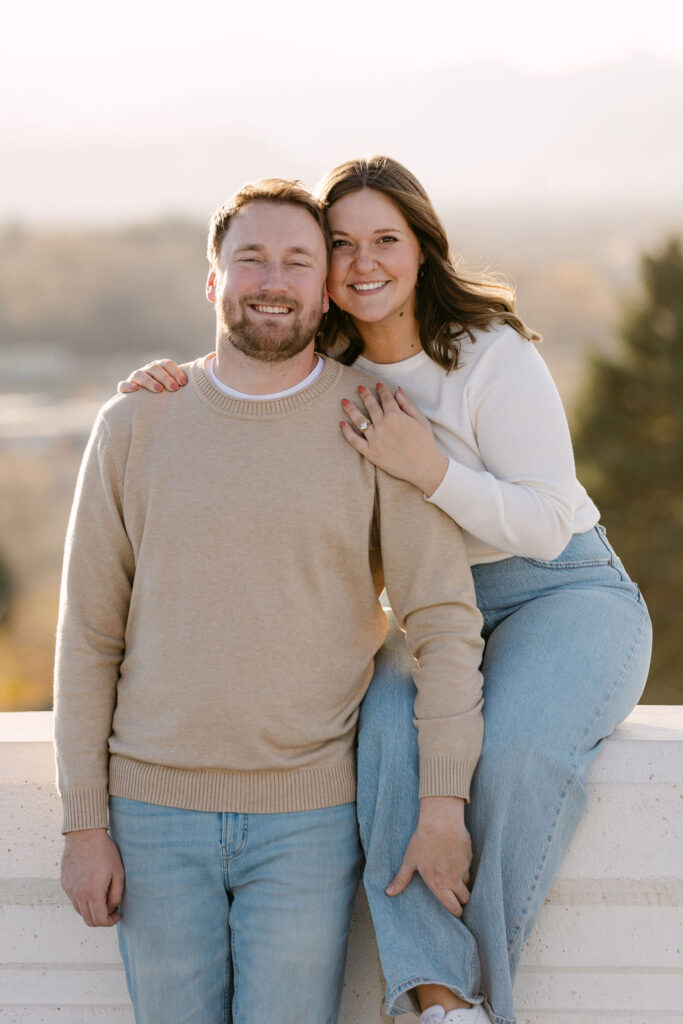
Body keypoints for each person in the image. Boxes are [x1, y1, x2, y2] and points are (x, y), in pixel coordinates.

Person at [119, 157, 652, 1024]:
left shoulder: (488, 354)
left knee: (512, 756)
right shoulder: (330, 367)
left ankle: (469, 1004)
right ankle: (432, 996)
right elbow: (249, 355)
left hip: (565, 593)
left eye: (385, 241)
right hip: (433, 610)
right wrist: (167, 382)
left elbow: (547, 521)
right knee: (381, 737)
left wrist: (431, 471)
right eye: (340, 245)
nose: (362, 263)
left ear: (420, 250)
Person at [54, 177, 487, 1024]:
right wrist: (82, 825)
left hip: (312, 819)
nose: (273, 279)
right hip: (150, 817)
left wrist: (443, 799)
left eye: (298, 260)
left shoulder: (374, 420)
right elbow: (88, 635)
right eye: (249, 258)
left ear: (325, 286)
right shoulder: (135, 426)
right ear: (213, 281)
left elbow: (442, 620)